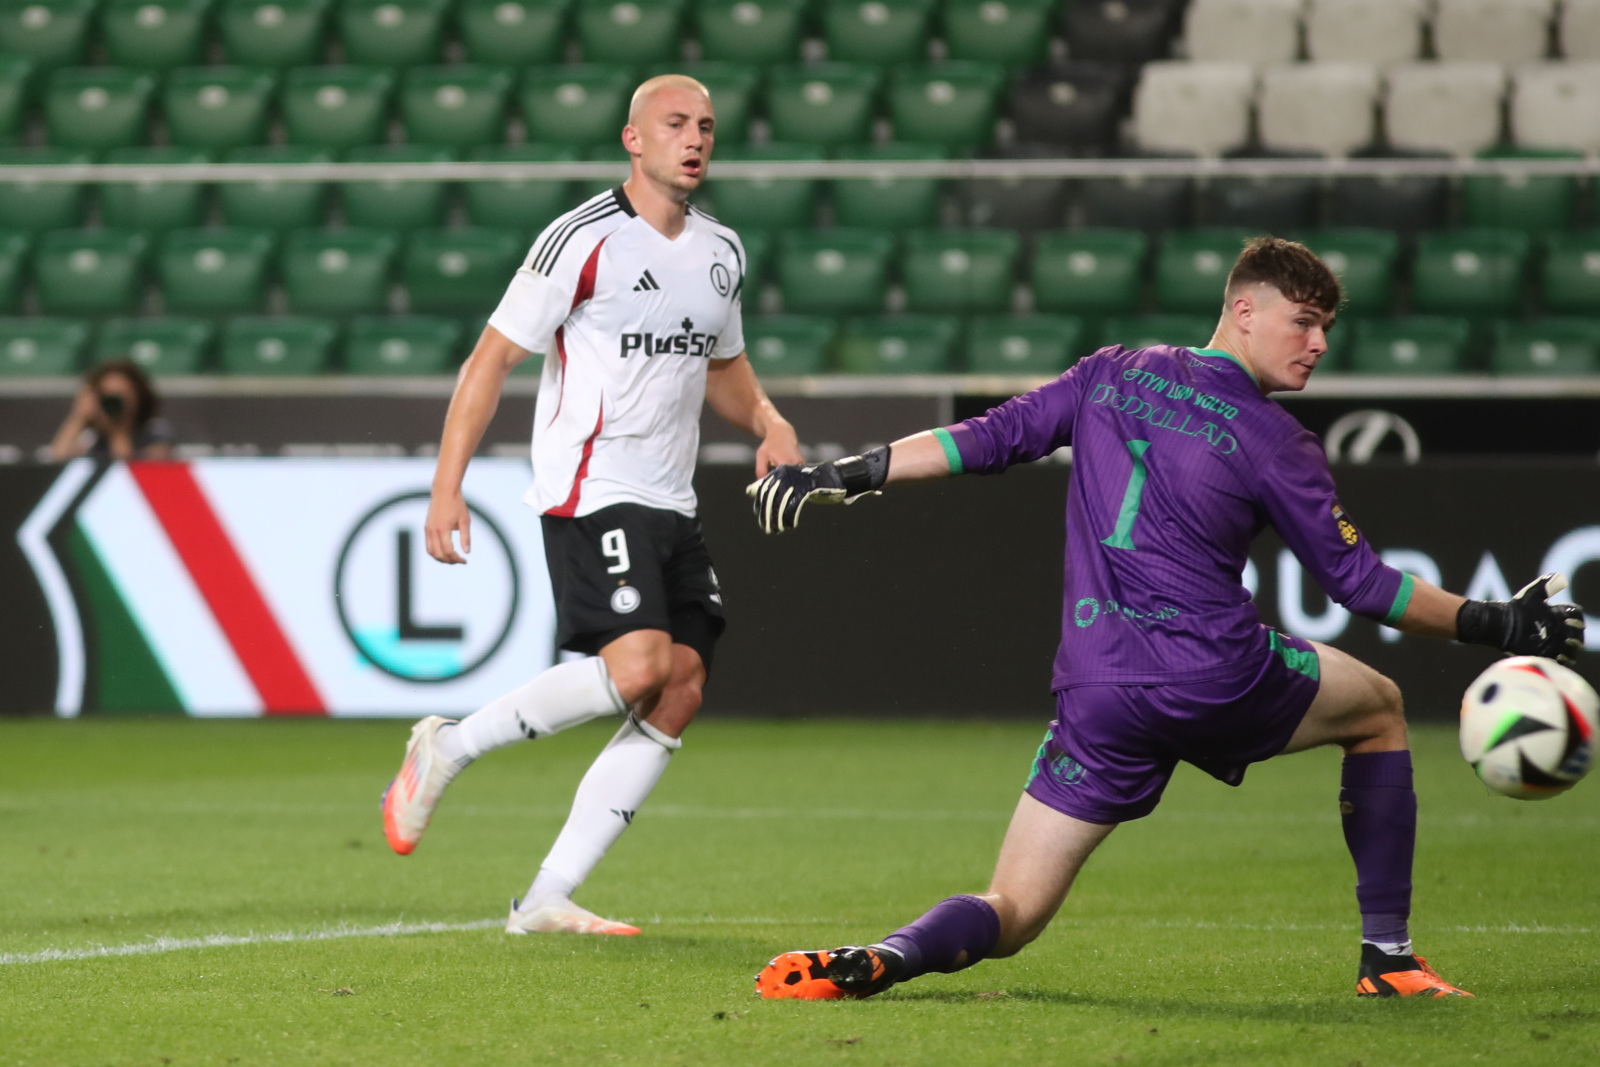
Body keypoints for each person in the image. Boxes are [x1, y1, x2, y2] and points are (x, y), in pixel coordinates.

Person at [746, 237, 1585, 1000]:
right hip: (1216, 674)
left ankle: (882, 957)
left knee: (1012, 909)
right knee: (1379, 708)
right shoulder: (1275, 439)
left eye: (1325, 327)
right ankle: (1391, 959)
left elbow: (991, 437)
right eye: (1303, 322)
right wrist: (1498, 625)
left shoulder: (1110, 371)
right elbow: (1361, 585)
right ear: (1242, 310)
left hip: (1098, 692)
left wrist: (857, 471)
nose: (1319, 344)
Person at [381, 74, 802, 936]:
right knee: (642, 663)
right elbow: (490, 360)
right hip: (591, 487)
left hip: (671, 501)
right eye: (676, 123)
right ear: (633, 139)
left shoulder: (722, 250)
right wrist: (445, 484)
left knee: (680, 685)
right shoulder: (580, 239)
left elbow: (721, 365)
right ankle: (448, 746)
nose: (695, 139)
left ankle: (544, 896)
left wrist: (766, 416)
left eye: (708, 127)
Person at [48, 359, 174, 461]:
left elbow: (127, 473)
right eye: (107, 396)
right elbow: (56, 461)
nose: (113, 404)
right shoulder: (91, 438)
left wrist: (119, 431)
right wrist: (79, 416)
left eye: (120, 396)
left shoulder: (155, 431)